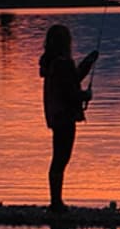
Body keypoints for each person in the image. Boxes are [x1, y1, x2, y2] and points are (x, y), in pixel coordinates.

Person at [39, 24, 98, 212]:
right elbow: (70, 93)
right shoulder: (63, 63)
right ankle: (56, 203)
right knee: (61, 159)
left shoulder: (52, 62)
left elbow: (72, 80)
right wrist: (85, 96)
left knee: (59, 158)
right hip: (64, 116)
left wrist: (87, 63)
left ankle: (56, 202)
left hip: (56, 116)